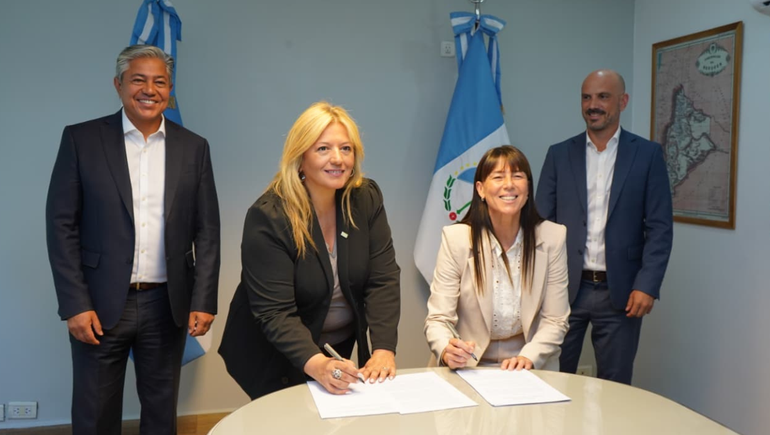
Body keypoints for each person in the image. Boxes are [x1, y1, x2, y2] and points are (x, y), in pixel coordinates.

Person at [46, 45, 220, 434]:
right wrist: (74, 304)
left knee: (161, 414)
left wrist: (203, 299)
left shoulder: (194, 147)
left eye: (159, 81)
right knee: (94, 415)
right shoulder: (82, 140)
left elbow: (207, 231)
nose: (149, 89)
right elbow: (61, 227)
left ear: (170, 90)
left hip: (167, 304)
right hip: (99, 305)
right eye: (138, 79)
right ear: (118, 84)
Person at [219, 102, 401, 399]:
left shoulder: (365, 199)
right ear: (300, 158)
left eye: (346, 148)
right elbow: (275, 312)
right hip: (272, 352)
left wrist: (383, 349)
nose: (338, 159)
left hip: (334, 346)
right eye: (323, 149)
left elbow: (383, 279)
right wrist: (317, 364)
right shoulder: (270, 216)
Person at [536, 69, 673, 384]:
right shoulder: (559, 154)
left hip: (622, 292)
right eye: (587, 97)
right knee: (552, 378)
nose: (593, 104)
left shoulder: (647, 155)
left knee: (616, 383)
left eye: (603, 96)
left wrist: (647, 284)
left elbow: (660, 227)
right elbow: (540, 222)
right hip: (563, 288)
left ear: (622, 101)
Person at [424, 146, 570, 371]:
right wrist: (447, 349)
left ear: (528, 189)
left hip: (528, 365)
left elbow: (556, 320)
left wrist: (529, 357)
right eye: (498, 177)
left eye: (518, 176)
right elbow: (438, 319)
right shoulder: (456, 239)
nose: (509, 184)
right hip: (468, 365)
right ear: (480, 189)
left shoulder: (552, 237)